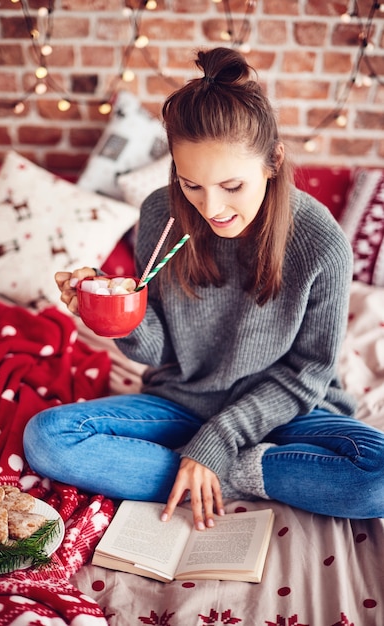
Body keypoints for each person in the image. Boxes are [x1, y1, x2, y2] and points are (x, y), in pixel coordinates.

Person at [23, 47, 384, 530]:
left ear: (273, 162)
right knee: (46, 437)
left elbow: (307, 374)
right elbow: (159, 351)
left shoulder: (322, 243)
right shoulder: (161, 214)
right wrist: (114, 309)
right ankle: (218, 469)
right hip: (181, 402)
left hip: (282, 410)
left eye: (231, 186)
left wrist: (218, 443)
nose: (211, 207)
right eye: (192, 184)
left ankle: (219, 470)